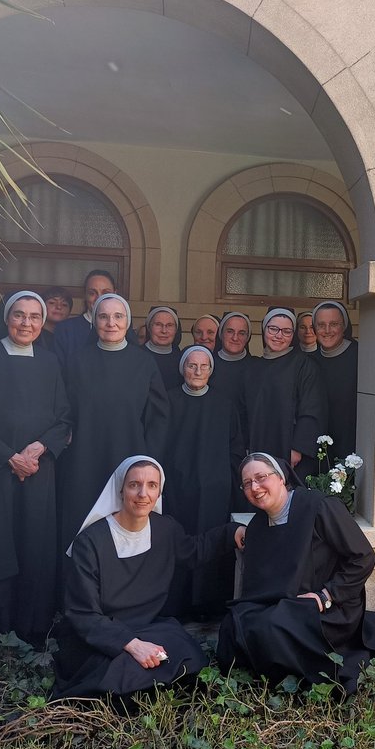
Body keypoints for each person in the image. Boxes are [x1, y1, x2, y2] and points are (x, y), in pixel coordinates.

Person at [217, 453, 375, 693]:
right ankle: (259, 680)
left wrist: (326, 595)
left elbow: (363, 558)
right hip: (286, 602)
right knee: (235, 622)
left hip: (329, 607)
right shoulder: (260, 524)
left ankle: (295, 683)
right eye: (247, 483)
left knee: (273, 625)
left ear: (281, 477)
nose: (255, 487)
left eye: (261, 478)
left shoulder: (319, 507)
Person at [55, 456, 243, 701]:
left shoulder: (165, 529)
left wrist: (233, 531)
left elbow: (195, 550)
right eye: (134, 485)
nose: (143, 493)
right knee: (118, 671)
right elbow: (83, 614)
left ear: (159, 492)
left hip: (147, 626)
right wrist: (132, 644)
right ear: (121, 490)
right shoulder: (90, 542)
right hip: (101, 635)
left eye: (152, 485)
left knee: (187, 654)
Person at [0, 291, 70, 642]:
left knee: (33, 547)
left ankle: (31, 627)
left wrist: (40, 447)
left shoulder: (50, 362)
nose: (27, 323)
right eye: (19, 315)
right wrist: (9, 457)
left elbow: (65, 420)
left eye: (34, 316)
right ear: (6, 319)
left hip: (38, 473)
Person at [58, 294, 171, 554]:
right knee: (81, 526)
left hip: (129, 459)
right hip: (82, 461)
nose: (111, 323)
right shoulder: (77, 361)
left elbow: (158, 417)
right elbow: (63, 409)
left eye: (118, 316)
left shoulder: (143, 362)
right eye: (103, 316)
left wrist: (147, 460)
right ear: (94, 322)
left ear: (127, 322)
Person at [161, 346, 246, 617]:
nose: (197, 372)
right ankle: (179, 605)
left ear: (211, 370)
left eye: (204, 366)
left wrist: (232, 483)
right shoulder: (169, 401)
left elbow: (234, 447)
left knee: (212, 542)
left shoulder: (224, 403)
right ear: (182, 368)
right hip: (177, 487)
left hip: (215, 488)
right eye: (191, 366)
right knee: (180, 543)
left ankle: (210, 607)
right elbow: (160, 446)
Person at [244, 308, 326, 477]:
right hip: (257, 445)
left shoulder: (304, 365)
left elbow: (311, 408)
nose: (279, 335)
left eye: (286, 331)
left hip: (288, 449)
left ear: (293, 335)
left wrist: (298, 448)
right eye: (273, 329)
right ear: (264, 330)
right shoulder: (252, 367)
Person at [312, 301, 359, 462]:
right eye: (321, 325)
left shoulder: (360, 356)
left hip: (352, 446)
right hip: (318, 451)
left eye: (333, 324)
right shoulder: (309, 362)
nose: (327, 331)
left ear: (344, 326)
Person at [53, 269, 117, 367]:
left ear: (115, 294)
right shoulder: (66, 330)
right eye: (92, 293)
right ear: (85, 295)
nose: (99, 298)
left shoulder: (122, 328)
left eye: (105, 293)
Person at [210, 311, 258, 417]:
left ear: (247, 337)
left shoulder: (258, 367)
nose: (235, 338)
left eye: (241, 333)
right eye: (230, 331)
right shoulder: (207, 364)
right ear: (221, 334)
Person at [143, 306, 184, 393]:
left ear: (176, 330)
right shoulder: (136, 357)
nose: (164, 331)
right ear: (149, 328)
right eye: (158, 324)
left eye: (169, 325)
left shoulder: (182, 359)